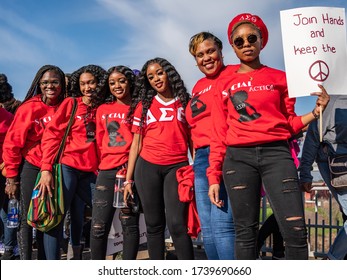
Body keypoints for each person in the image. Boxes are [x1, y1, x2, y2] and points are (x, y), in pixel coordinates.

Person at [207, 13, 330, 260]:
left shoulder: (281, 78)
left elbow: (289, 124)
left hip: (277, 154)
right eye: (239, 41)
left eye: (252, 37)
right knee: (245, 233)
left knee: (295, 231)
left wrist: (315, 113)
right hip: (238, 159)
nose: (246, 44)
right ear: (232, 46)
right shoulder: (224, 84)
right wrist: (213, 176)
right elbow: (219, 133)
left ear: (262, 40)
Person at [124, 57, 194, 260]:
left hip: (177, 167)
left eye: (160, 73)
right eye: (151, 77)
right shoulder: (144, 106)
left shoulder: (185, 103)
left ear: (169, 73)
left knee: (177, 224)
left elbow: (192, 140)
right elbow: (135, 144)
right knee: (154, 225)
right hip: (147, 167)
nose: (156, 79)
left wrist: (195, 167)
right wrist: (128, 180)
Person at [37, 64, 108, 259]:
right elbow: (51, 135)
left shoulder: (104, 107)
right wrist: (46, 169)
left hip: (92, 172)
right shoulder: (71, 103)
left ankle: (79, 257)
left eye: (91, 82)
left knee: (101, 214)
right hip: (67, 166)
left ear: (99, 83)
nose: (87, 88)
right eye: (83, 84)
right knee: (56, 217)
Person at [3, 65, 67, 260]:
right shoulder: (29, 107)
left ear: (62, 84)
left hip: (58, 168)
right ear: (39, 84)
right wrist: (12, 178)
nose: (50, 86)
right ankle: (25, 262)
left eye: (55, 82)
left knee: (48, 215)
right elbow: (12, 143)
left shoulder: (68, 106)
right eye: (45, 82)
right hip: (32, 166)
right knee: (26, 218)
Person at [185, 32, 236, 259]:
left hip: (226, 152)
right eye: (199, 55)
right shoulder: (198, 85)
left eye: (210, 51)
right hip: (202, 157)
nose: (206, 58)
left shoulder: (235, 74)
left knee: (223, 226)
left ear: (221, 52)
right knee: (207, 229)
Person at [90, 66, 140, 260]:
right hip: (107, 171)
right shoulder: (103, 109)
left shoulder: (139, 107)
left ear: (130, 82)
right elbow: (99, 141)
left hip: (130, 172)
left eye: (121, 81)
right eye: (112, 83)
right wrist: (103, 164)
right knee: (98, 227)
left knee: (129, 224)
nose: (117, 86)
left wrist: (132, 169)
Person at [299, 94, 347, 260]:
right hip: (338, 168)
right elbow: (312, 139)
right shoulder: (331, 101)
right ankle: (333, 260)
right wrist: (305, 173)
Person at [0, 74, 18, 260]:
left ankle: (10, 249)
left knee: (9, 212)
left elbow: (13, 145)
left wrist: (7, 165)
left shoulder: (8, 117)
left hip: (6, 171)